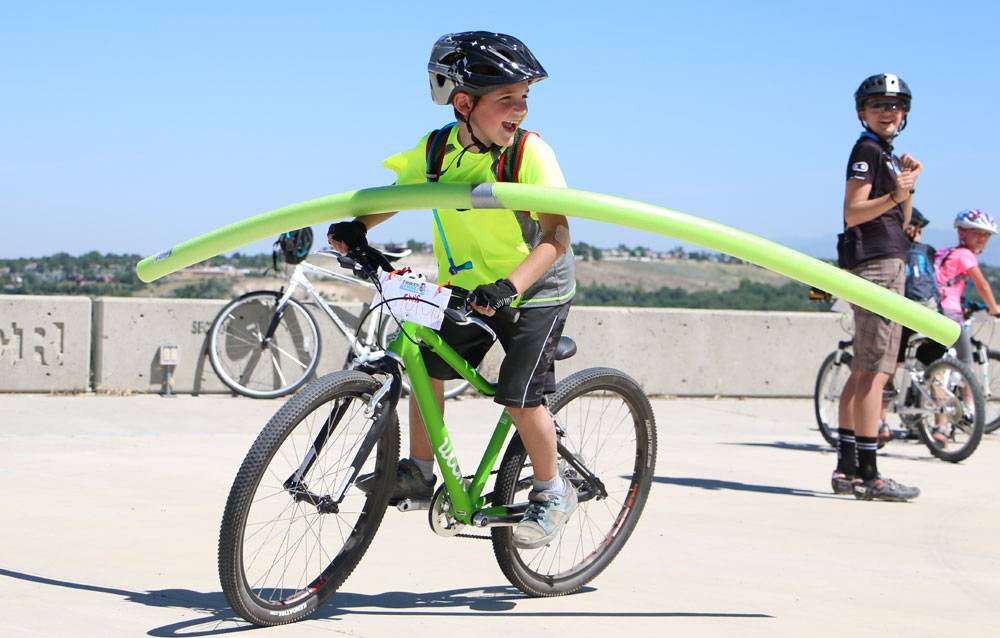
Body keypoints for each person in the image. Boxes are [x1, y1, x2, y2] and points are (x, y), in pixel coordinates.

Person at [328, 32, 577, 549]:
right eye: (507, 99)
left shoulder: (529, 154)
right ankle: (420, 472)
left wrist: (510, 285)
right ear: (464, 103)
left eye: (525, 98)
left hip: (535, 289)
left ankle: (554, 490)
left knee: (519, 393)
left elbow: (556, 235)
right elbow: (399, 195)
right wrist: (359, 227)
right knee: (424, 360)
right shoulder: (437, 149)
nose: (521, 111)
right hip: (470, 287)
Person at [832, 73, 922, 501]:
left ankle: (847, 468)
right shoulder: (867, 149)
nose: (888, 111)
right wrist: (894, 195)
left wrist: (908, 186)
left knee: (864, 368)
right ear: (863, 111)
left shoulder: (883, 153)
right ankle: (870, 475)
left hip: (886, 260)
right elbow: (853, 212)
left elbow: (904, 222)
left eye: (895, 105)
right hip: (878, 266)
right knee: (875, 372)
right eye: (879, 104)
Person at [934, 209, 1000, 365]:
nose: (983, 238)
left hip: (933, 306)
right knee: (965, 360)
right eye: (978, 233)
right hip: (949, 312)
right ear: (962, 232)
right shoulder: (965, 254)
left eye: (986, 235)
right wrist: (994, 308)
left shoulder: (947, 252)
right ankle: (969, 391)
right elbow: (982, 285)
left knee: (936, 358)